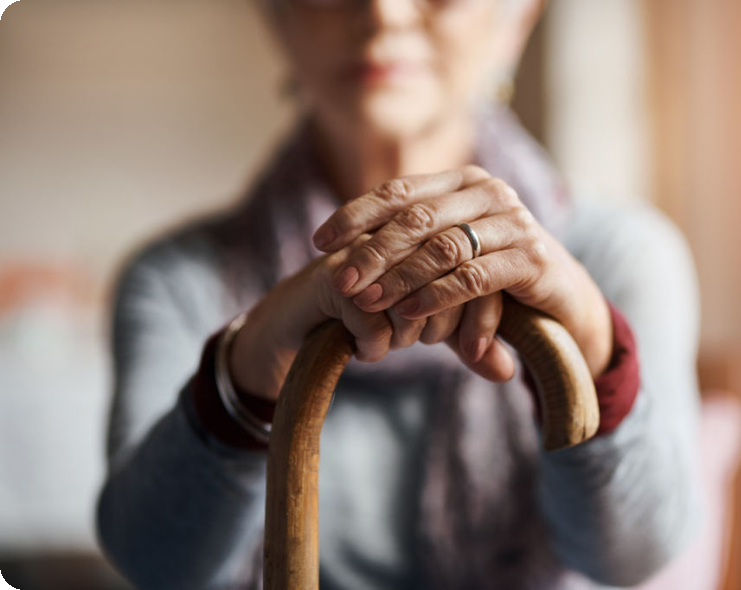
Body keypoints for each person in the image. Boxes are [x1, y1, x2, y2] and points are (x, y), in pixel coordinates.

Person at [96, 0, 705, 588]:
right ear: (277, 18)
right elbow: (155, 564)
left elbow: (634, 558)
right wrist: (247, 368)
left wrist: (589, 346)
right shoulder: (176, 279)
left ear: (514, 20)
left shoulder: (620, 256)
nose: (382, 11)